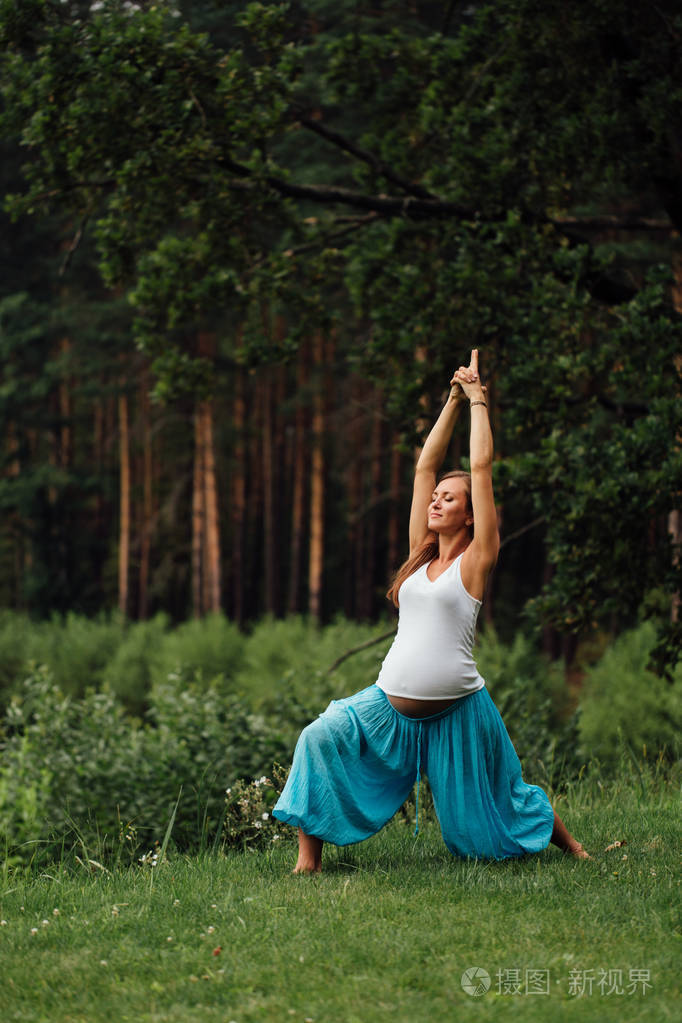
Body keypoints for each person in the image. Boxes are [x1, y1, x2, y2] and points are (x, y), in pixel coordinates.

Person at [273, 350, 590, 872]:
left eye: (449, 499)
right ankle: (309, 862)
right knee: (318, 736)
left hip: (460, 711)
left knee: (498, 806)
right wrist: (449, 399)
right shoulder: (420, 556)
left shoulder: (476, 561)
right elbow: (424, 464)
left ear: (469, 516)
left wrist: (478, 400)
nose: (436, 502)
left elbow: (482, 467)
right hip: (387, 707)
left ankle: (575, 850)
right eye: (435, 497)